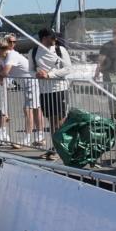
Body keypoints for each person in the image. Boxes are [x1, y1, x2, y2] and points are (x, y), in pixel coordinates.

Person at [31, 27, 72, 158]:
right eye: (53, 37)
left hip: (60, 88)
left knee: (61, 120)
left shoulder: (61, 50)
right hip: (44, 91)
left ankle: (62, 148)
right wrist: (37, 74)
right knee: (52, 122)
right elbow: (30, 70)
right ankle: (56, 147)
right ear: (44, 38)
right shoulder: (33, 51)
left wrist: (49, 75)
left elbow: (68, 68)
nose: (55, 39)